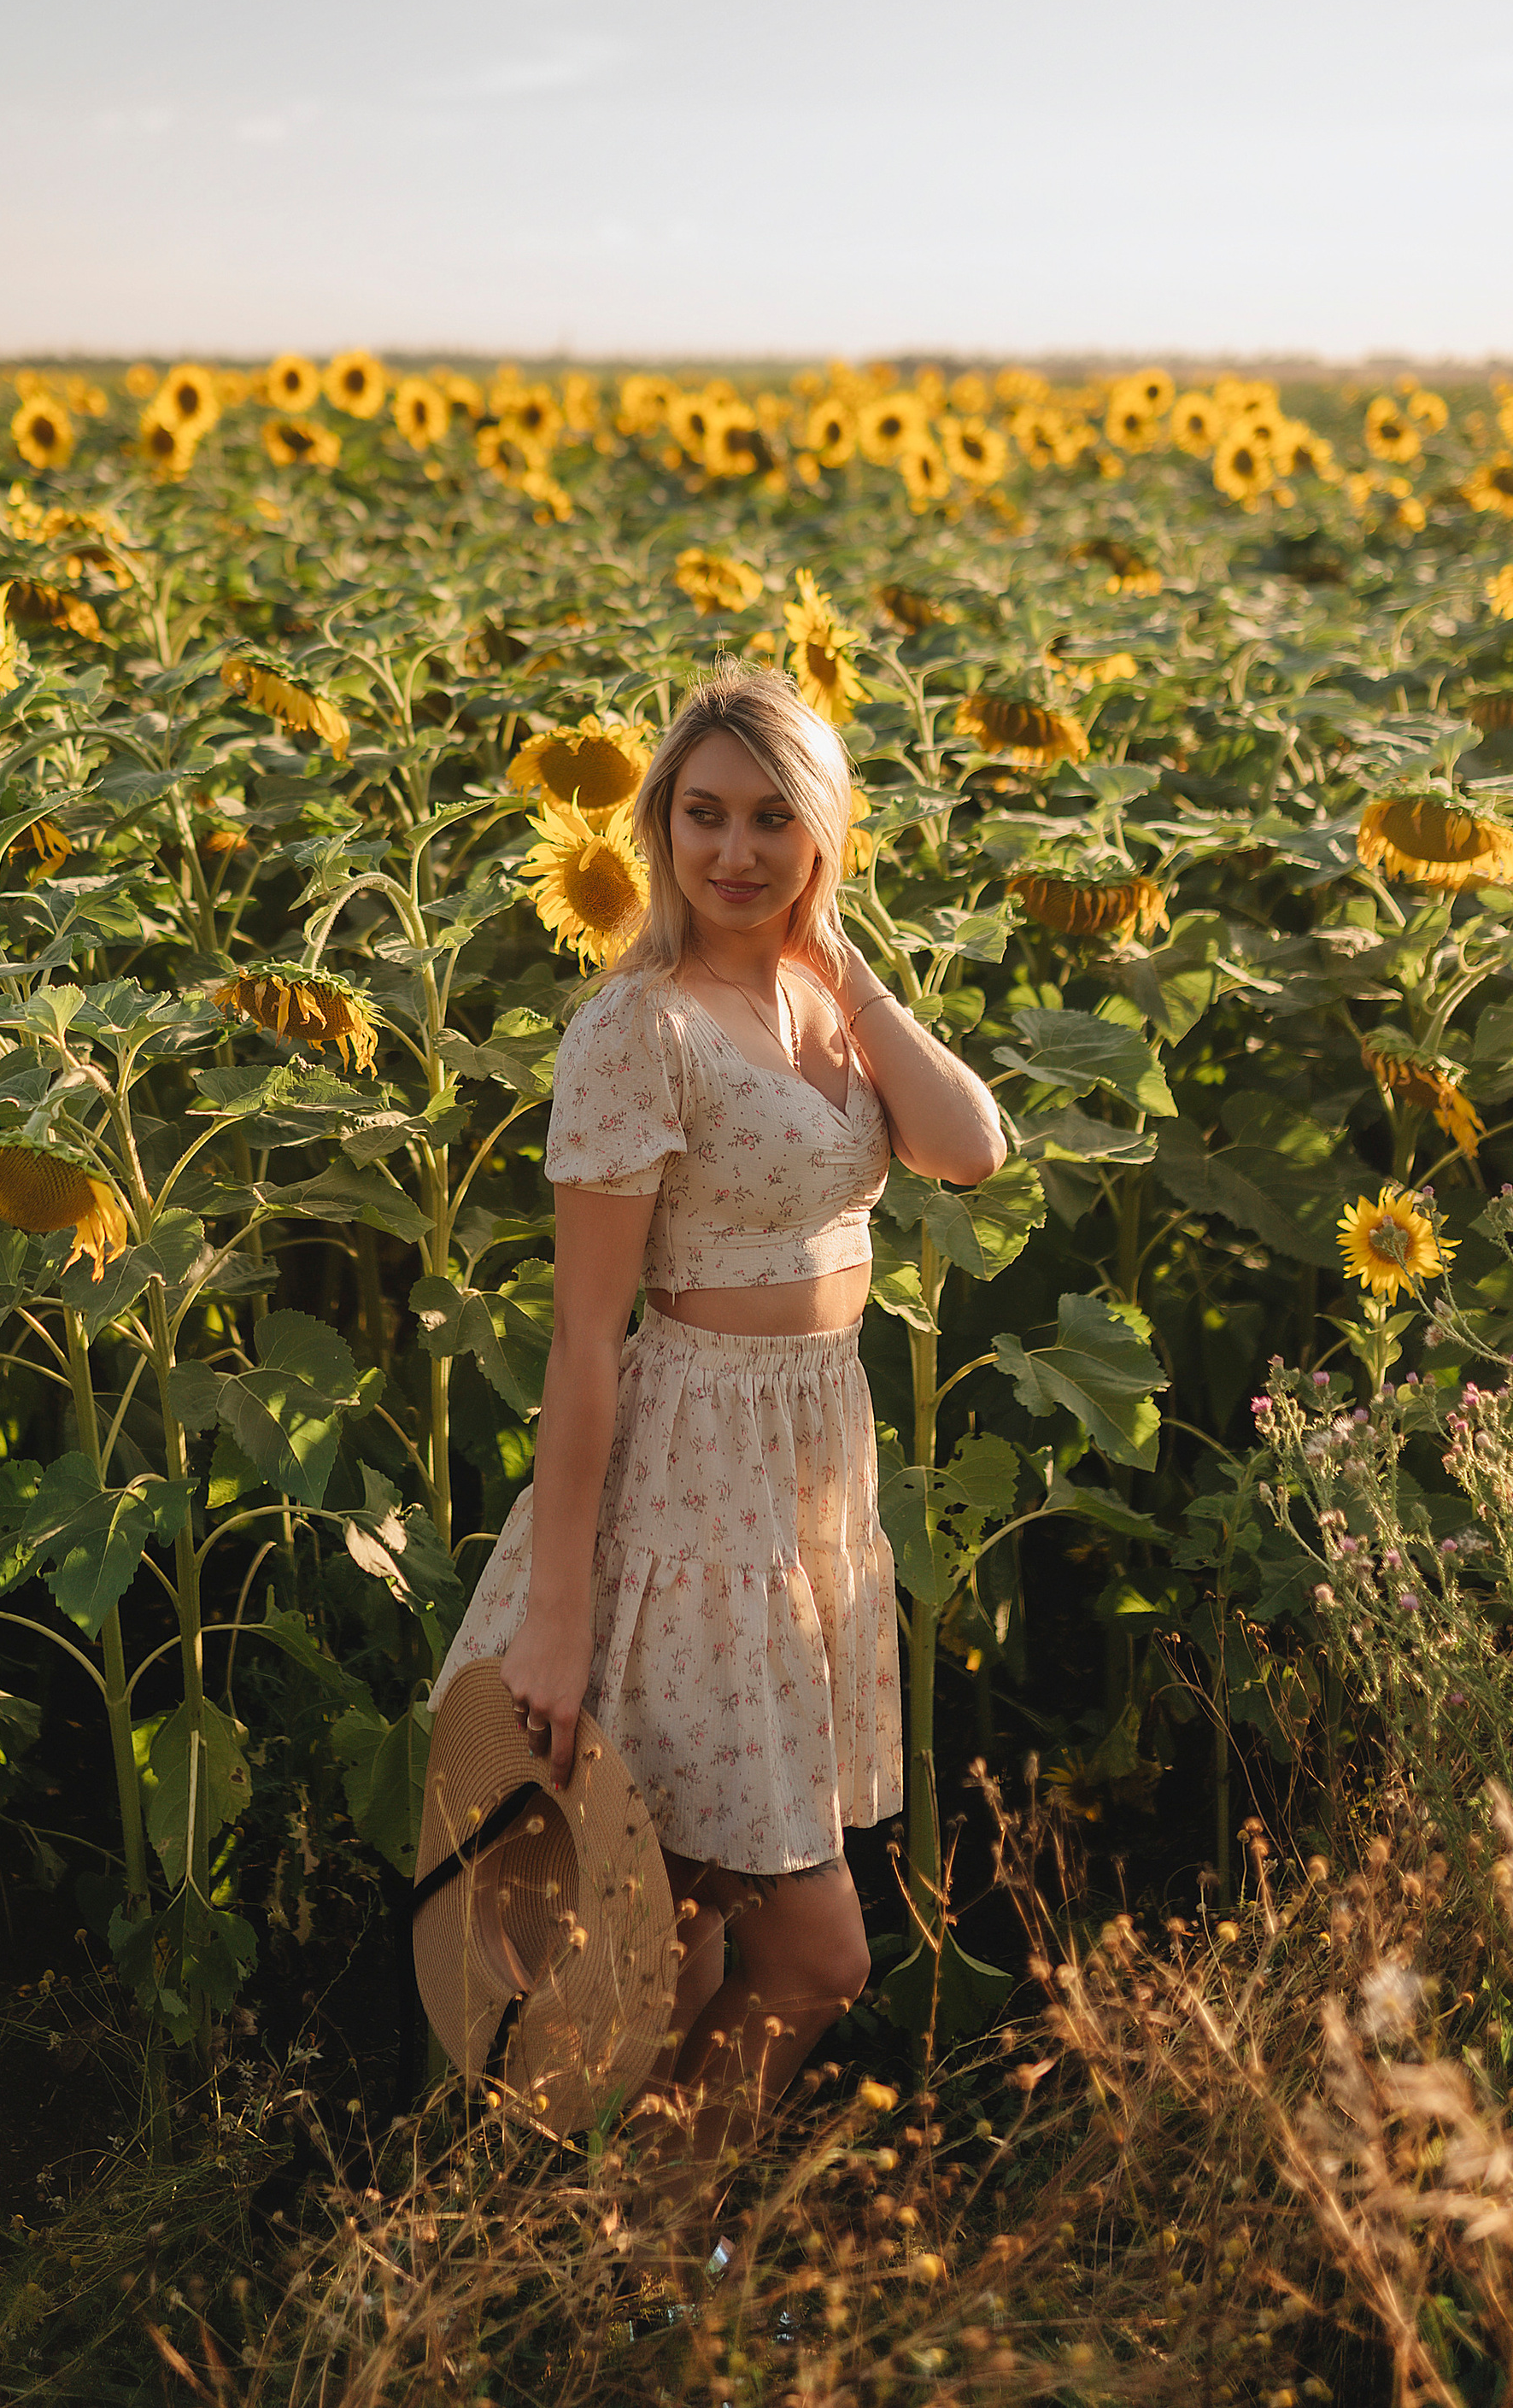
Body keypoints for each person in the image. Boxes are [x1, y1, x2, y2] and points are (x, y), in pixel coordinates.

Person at [430, 659, 1007, 2176]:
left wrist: (845, 953)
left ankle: (614, 2269)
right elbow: (583, 1340)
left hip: (812, 1481)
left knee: (671, 1945)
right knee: (807, 1953)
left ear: (823, 833)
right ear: (660, 825)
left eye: (772, 818)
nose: (734, 852)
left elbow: (971, 1149)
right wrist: (557, 1618)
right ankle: (633, 2247)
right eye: (703, 816)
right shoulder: (641, 1029)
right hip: (693, 1495)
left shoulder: (824, 996)